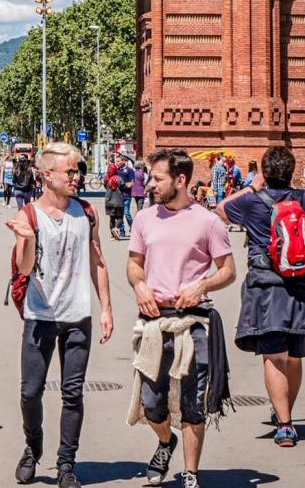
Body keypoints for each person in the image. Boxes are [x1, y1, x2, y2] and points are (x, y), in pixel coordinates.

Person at [218, 146, 305, 449]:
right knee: (295, 356)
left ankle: (285, 425)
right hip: (304, 284)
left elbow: (222, 209)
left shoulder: (250, 201)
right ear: (291, 172)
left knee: (274, 356)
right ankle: (285, 414)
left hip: (267, 285)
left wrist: (253, 185)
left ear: (265, 172)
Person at [7, 142, 114, 488]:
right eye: (70, 171)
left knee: (72, 393)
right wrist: (24, 239)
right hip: (40, 317)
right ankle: (32, 445)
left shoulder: (87, 213)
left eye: (78, 170)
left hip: (77, 315)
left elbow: (98, 261)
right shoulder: (29, 215)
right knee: (30, 392)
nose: (77, 177)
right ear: (46, 175)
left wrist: (107, 309)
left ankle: (66, 463)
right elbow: (24, 268)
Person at [127, 149, 236, 488]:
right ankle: (164, 441)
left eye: (157, 178)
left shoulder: (208, 222)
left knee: (193, 404)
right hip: (155, 323)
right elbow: (133, 263)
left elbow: (228, 271)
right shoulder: (145, 219)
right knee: (153, 404)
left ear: (181, 180)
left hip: (193, 323)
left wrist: (202, 285)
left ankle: (191, 473)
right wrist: (140, 284)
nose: (150, 184)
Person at [103, 164, 125, 240]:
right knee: (120, 217)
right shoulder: (118, 178)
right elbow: (123, 187)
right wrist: (129, 185)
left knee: (112, 218)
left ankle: (113, 234)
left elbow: (106, 187)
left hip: (109, 201)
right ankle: (116, 228)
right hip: (118, 201)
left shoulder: (106, 179)